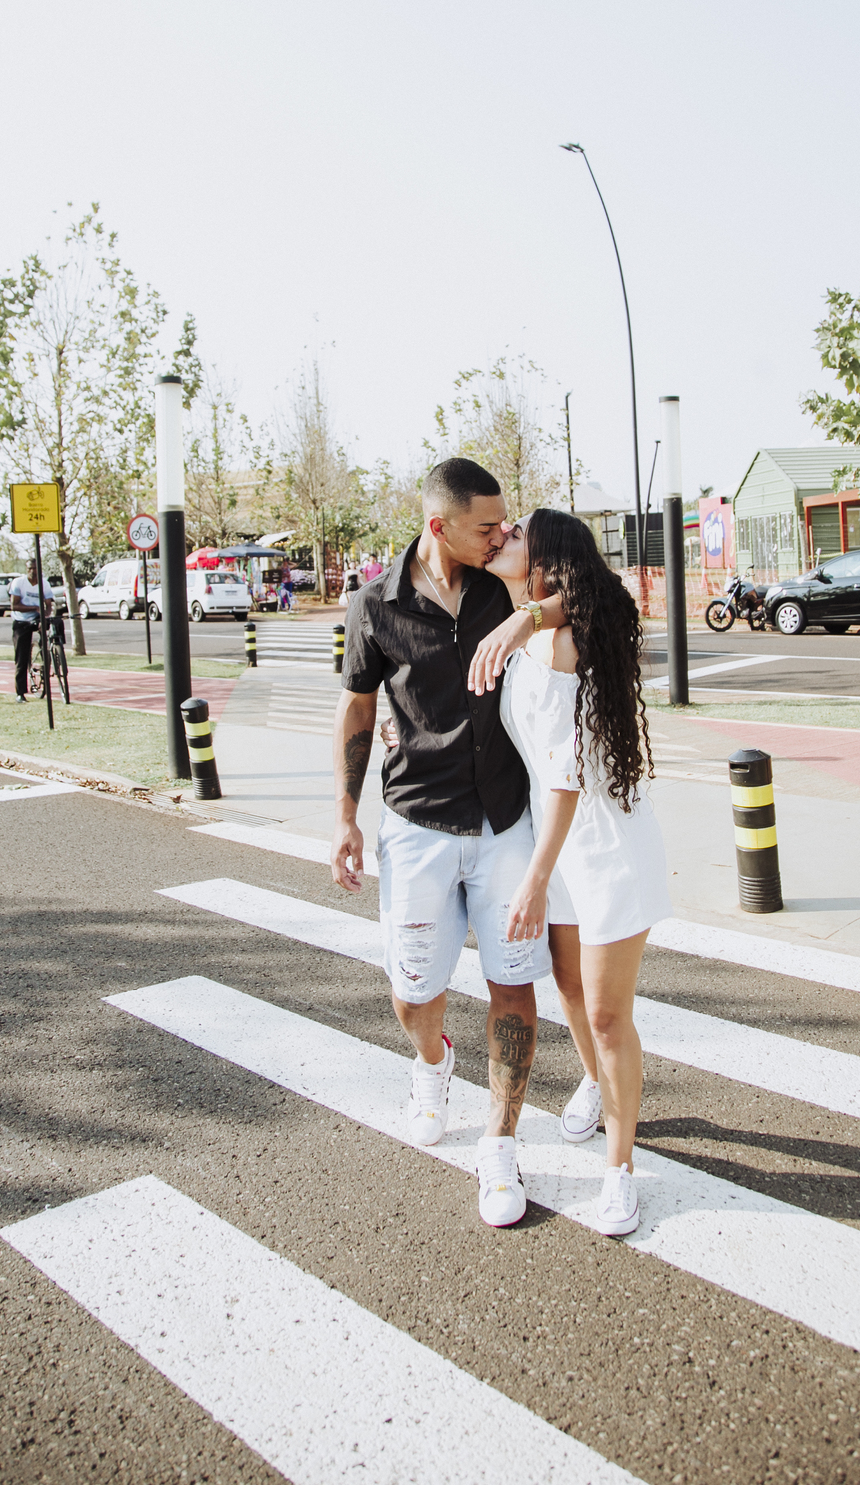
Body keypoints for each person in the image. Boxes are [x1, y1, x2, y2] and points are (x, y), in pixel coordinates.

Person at [331, 457, 565, 1228]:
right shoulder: (373, 605)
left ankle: (500, 1145)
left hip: (505, 821)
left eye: (504, 523)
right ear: (440, 526)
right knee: (412, 992)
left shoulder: (506, 584)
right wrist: (345, 815)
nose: (502, 533)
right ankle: (433, 1059)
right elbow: (358, 709)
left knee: (513, 986)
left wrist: (528, 616)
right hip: (416, 822)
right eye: (486, 524)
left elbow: (592, 595)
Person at [485, 509, 670, 1238]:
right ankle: (597, 1082)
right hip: (554, 842)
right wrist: (523, 614)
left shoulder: (561, 639)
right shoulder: (534, 627)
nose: (502, 537)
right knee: (567, 985)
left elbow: (564, 778)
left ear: (547, 558)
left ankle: (619, 1170)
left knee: (605, 1013)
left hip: (602, 845)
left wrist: (533, 880)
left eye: (517, 534)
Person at [10, 559, 53, 701]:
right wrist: (34, 608)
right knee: (22, 656)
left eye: (35, 568)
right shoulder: (18, 583)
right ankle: (20, 693)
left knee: (56, 624)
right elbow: (14, 605)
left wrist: (45, 615)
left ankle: (51, 653)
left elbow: (48, 605)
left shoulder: (44, 584)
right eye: (30, 568)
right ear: (26, 569)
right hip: (22, 620)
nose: (33, 571)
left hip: (37, 618)